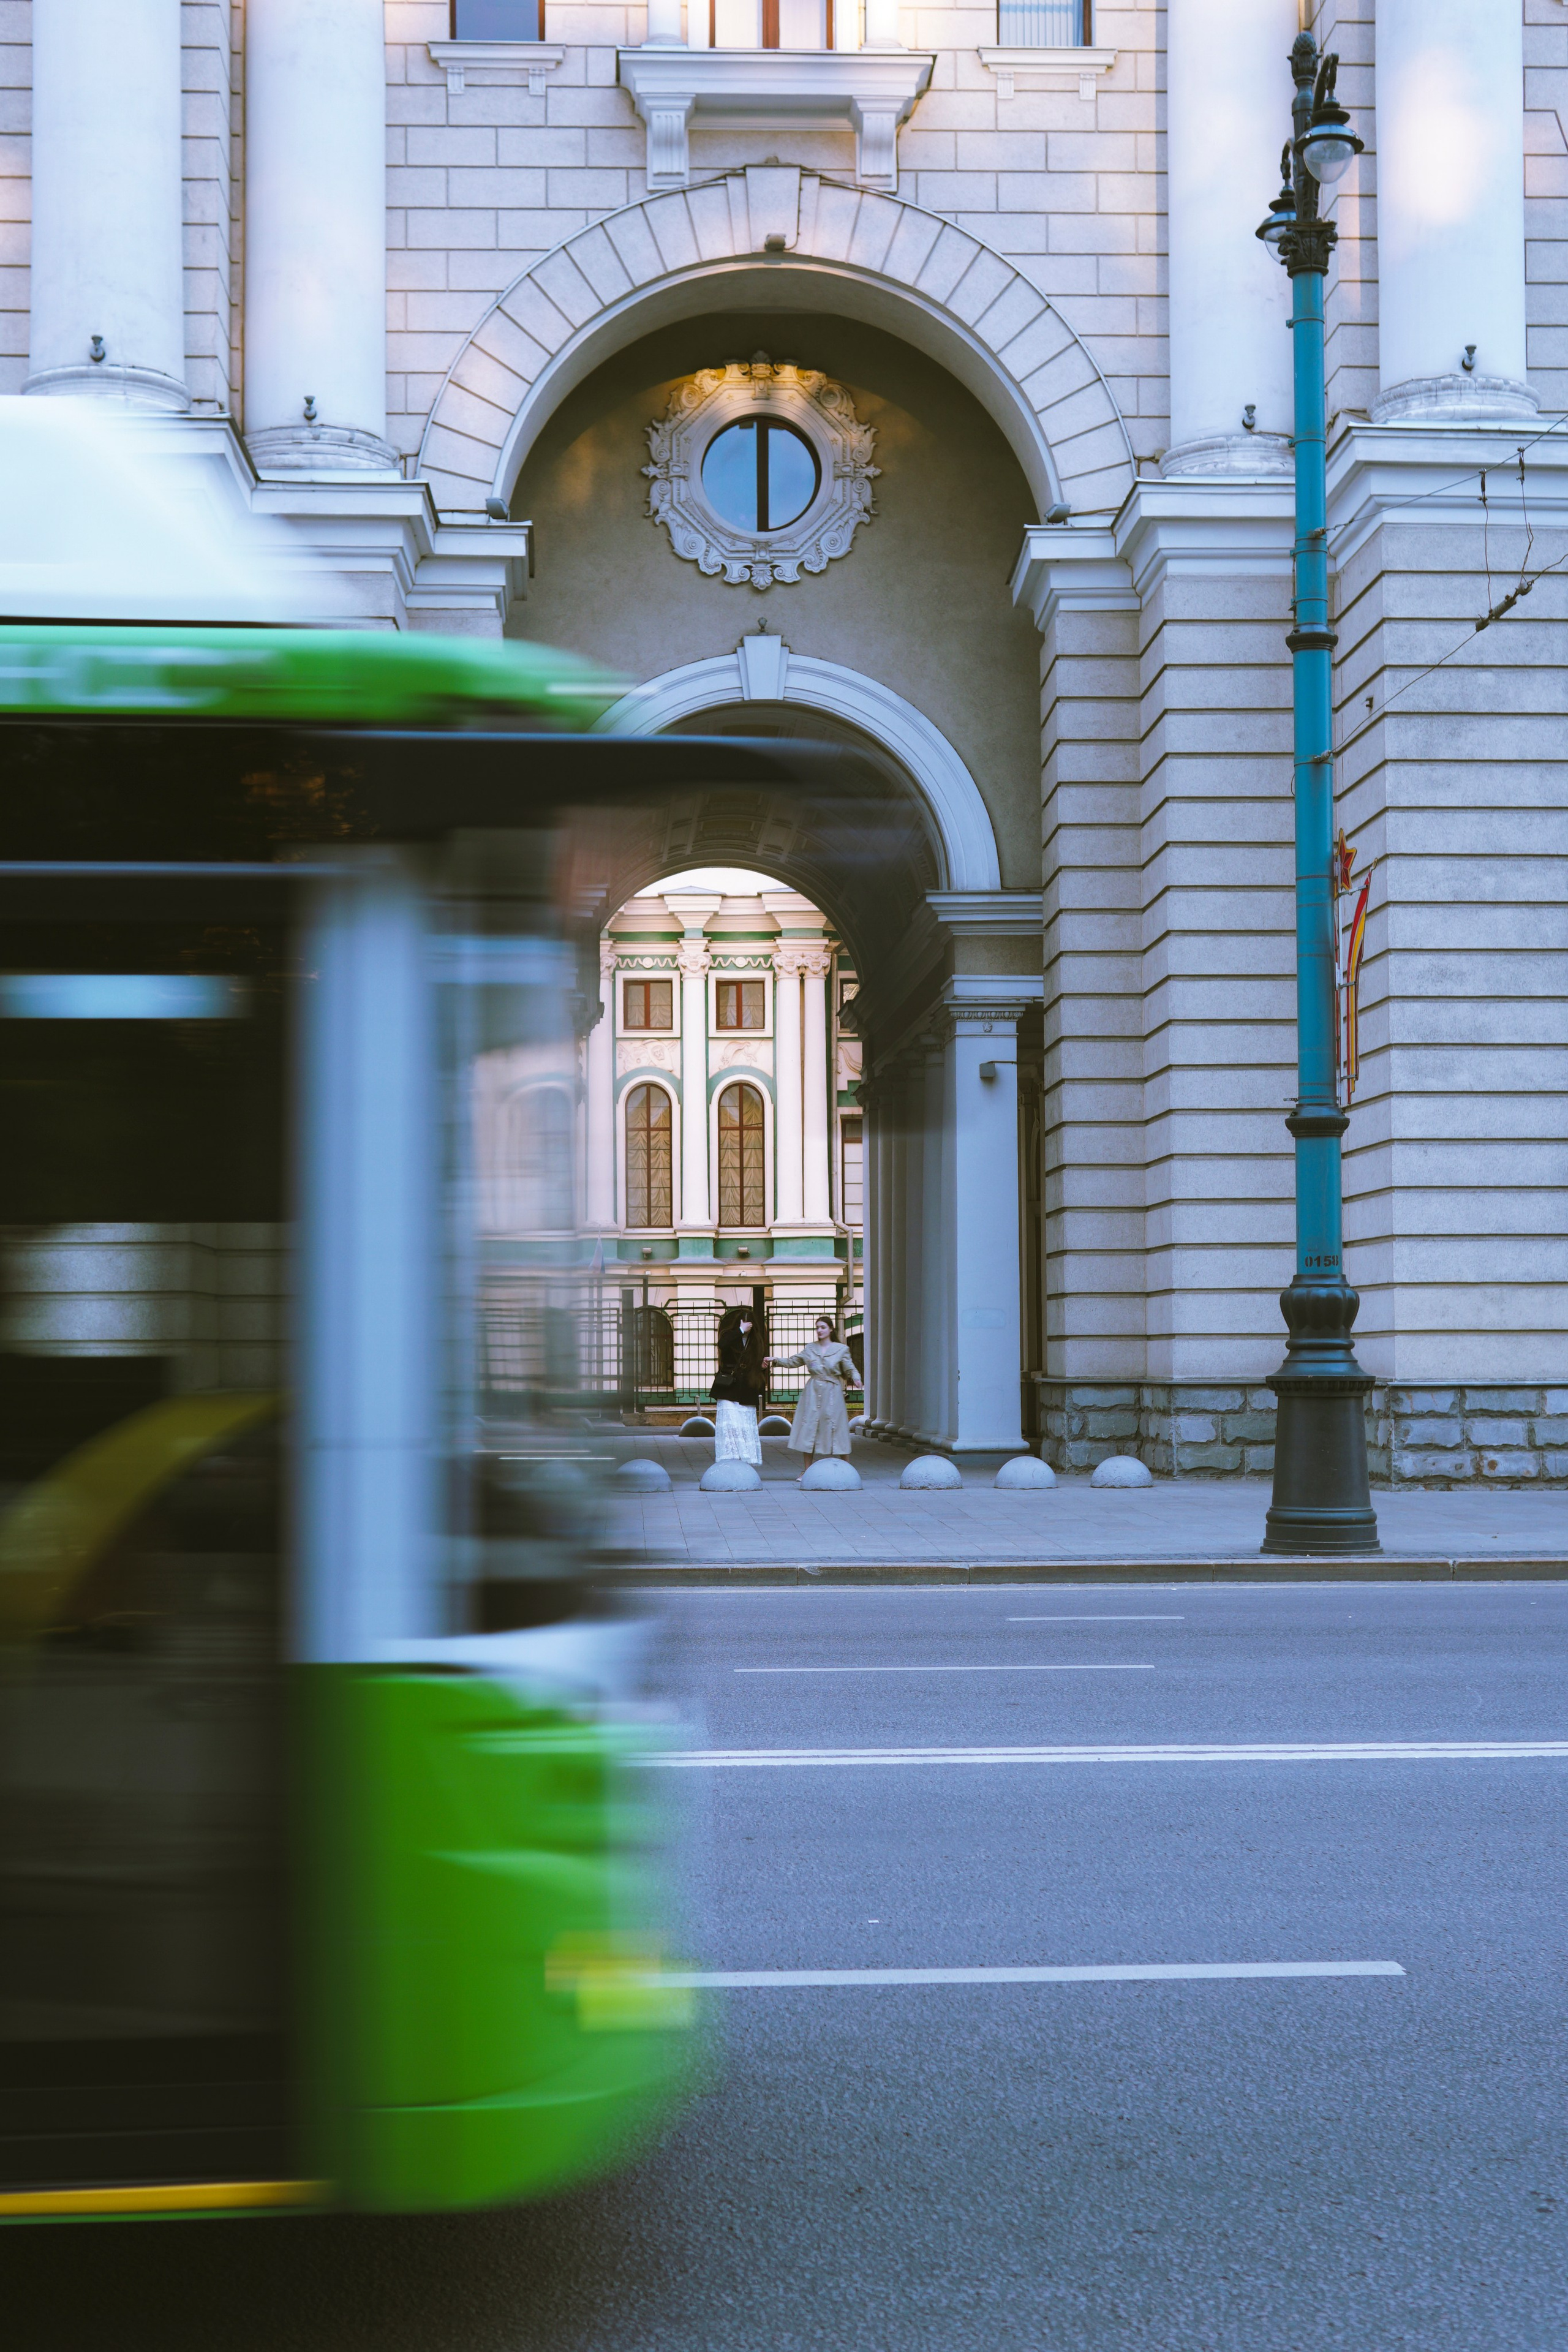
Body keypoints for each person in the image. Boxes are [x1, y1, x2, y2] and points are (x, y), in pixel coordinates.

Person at [767, 1316, 857, 1465]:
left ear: (831, 1329)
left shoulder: (841, 1349)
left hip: (832, 1391)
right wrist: (776, 1360)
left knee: (837, 1427)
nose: (819, 1330)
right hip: (813, 1392)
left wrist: (857, 1377)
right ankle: (807, 1470)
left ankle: (848, 1467)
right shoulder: (810, 1349)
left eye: (823, 1327)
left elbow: (850, 1368)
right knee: (810, 1426)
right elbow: (793, 1361)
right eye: (818, 1328)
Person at [709, 1303, 769, 1466]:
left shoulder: (755, 1340)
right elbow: (723, 1345)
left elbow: (753, 1362)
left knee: (744, 1424)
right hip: (728, 1386)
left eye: (749, 1324)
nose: (747, 1326)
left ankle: (745, 1458)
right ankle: (729, 1457)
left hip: (747, 1388)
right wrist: (740, 1331)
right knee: (730, 1423)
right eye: (744, 1323)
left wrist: (761, 1367)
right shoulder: (730, 1334)